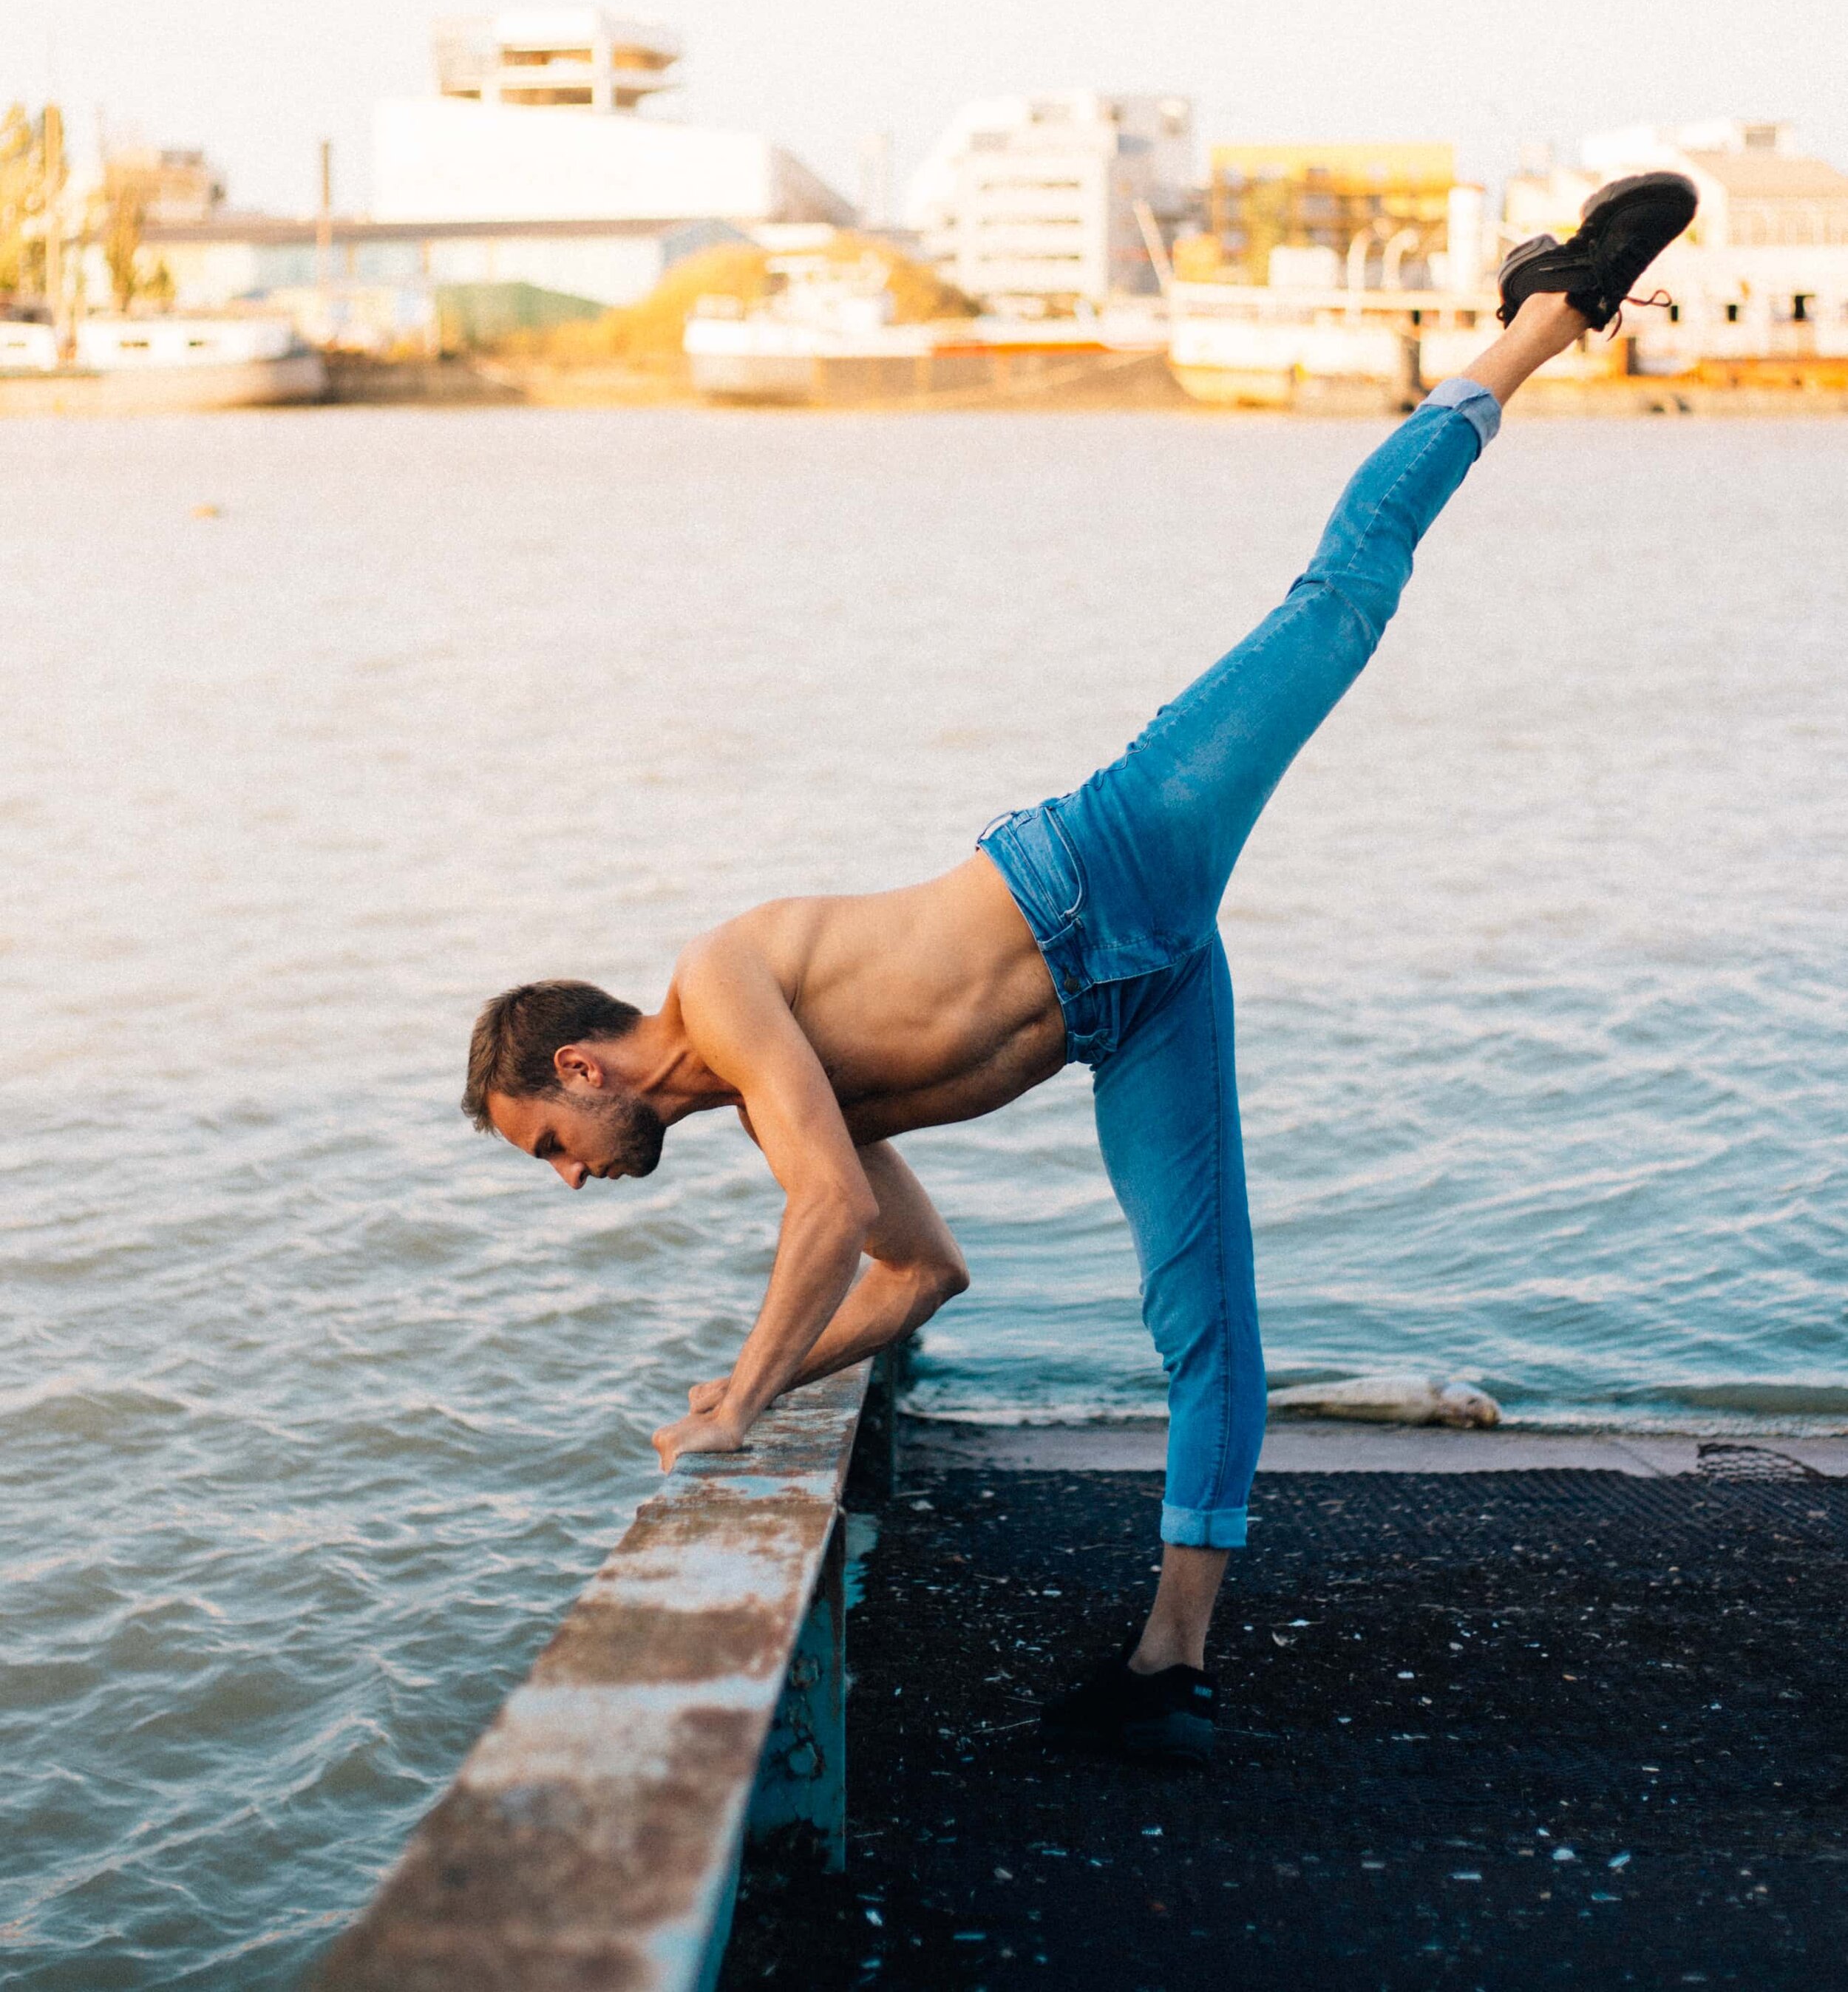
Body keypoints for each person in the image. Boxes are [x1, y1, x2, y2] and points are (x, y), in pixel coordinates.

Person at [461, 172, 1696, 1762]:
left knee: (1337, 599)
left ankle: (1538, 320)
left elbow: (835, 1222)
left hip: (1110, 855)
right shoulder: (792, 1114)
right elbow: (914, 1276)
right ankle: (1168, 1667)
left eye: (550, 1149)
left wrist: (738, 1398)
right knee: (1206, 1318)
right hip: (1141, 996)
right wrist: (752, 1386)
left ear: (580, 1068)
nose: (567, 1181)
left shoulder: (724, 981)